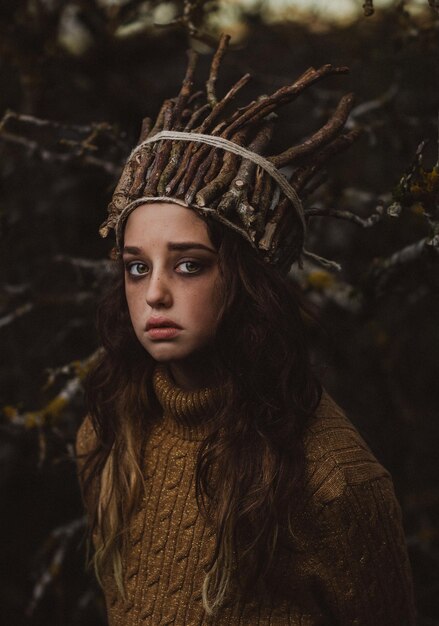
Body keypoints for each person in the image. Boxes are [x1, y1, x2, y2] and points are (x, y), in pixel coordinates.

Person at [76, 34, 417, 625]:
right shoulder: (110, 434)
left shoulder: (332, 478)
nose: (154, 292)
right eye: (137, 267)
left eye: (188, 264)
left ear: (243, 280)